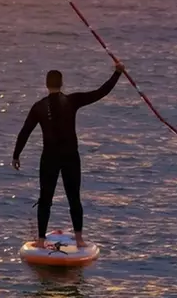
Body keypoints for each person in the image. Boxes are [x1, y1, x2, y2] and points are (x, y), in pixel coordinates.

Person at [12, 60, 125, 248]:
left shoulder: (39, 107)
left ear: (46, 84)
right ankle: (79, 239)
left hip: (49, 158)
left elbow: (25, 132)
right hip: (70, 157)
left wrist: (16, 155)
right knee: (74, 198)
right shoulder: (72, 101)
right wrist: (117, 73)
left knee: (45, 199)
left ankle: (41, 240)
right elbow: (100, 92)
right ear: (62, 83)